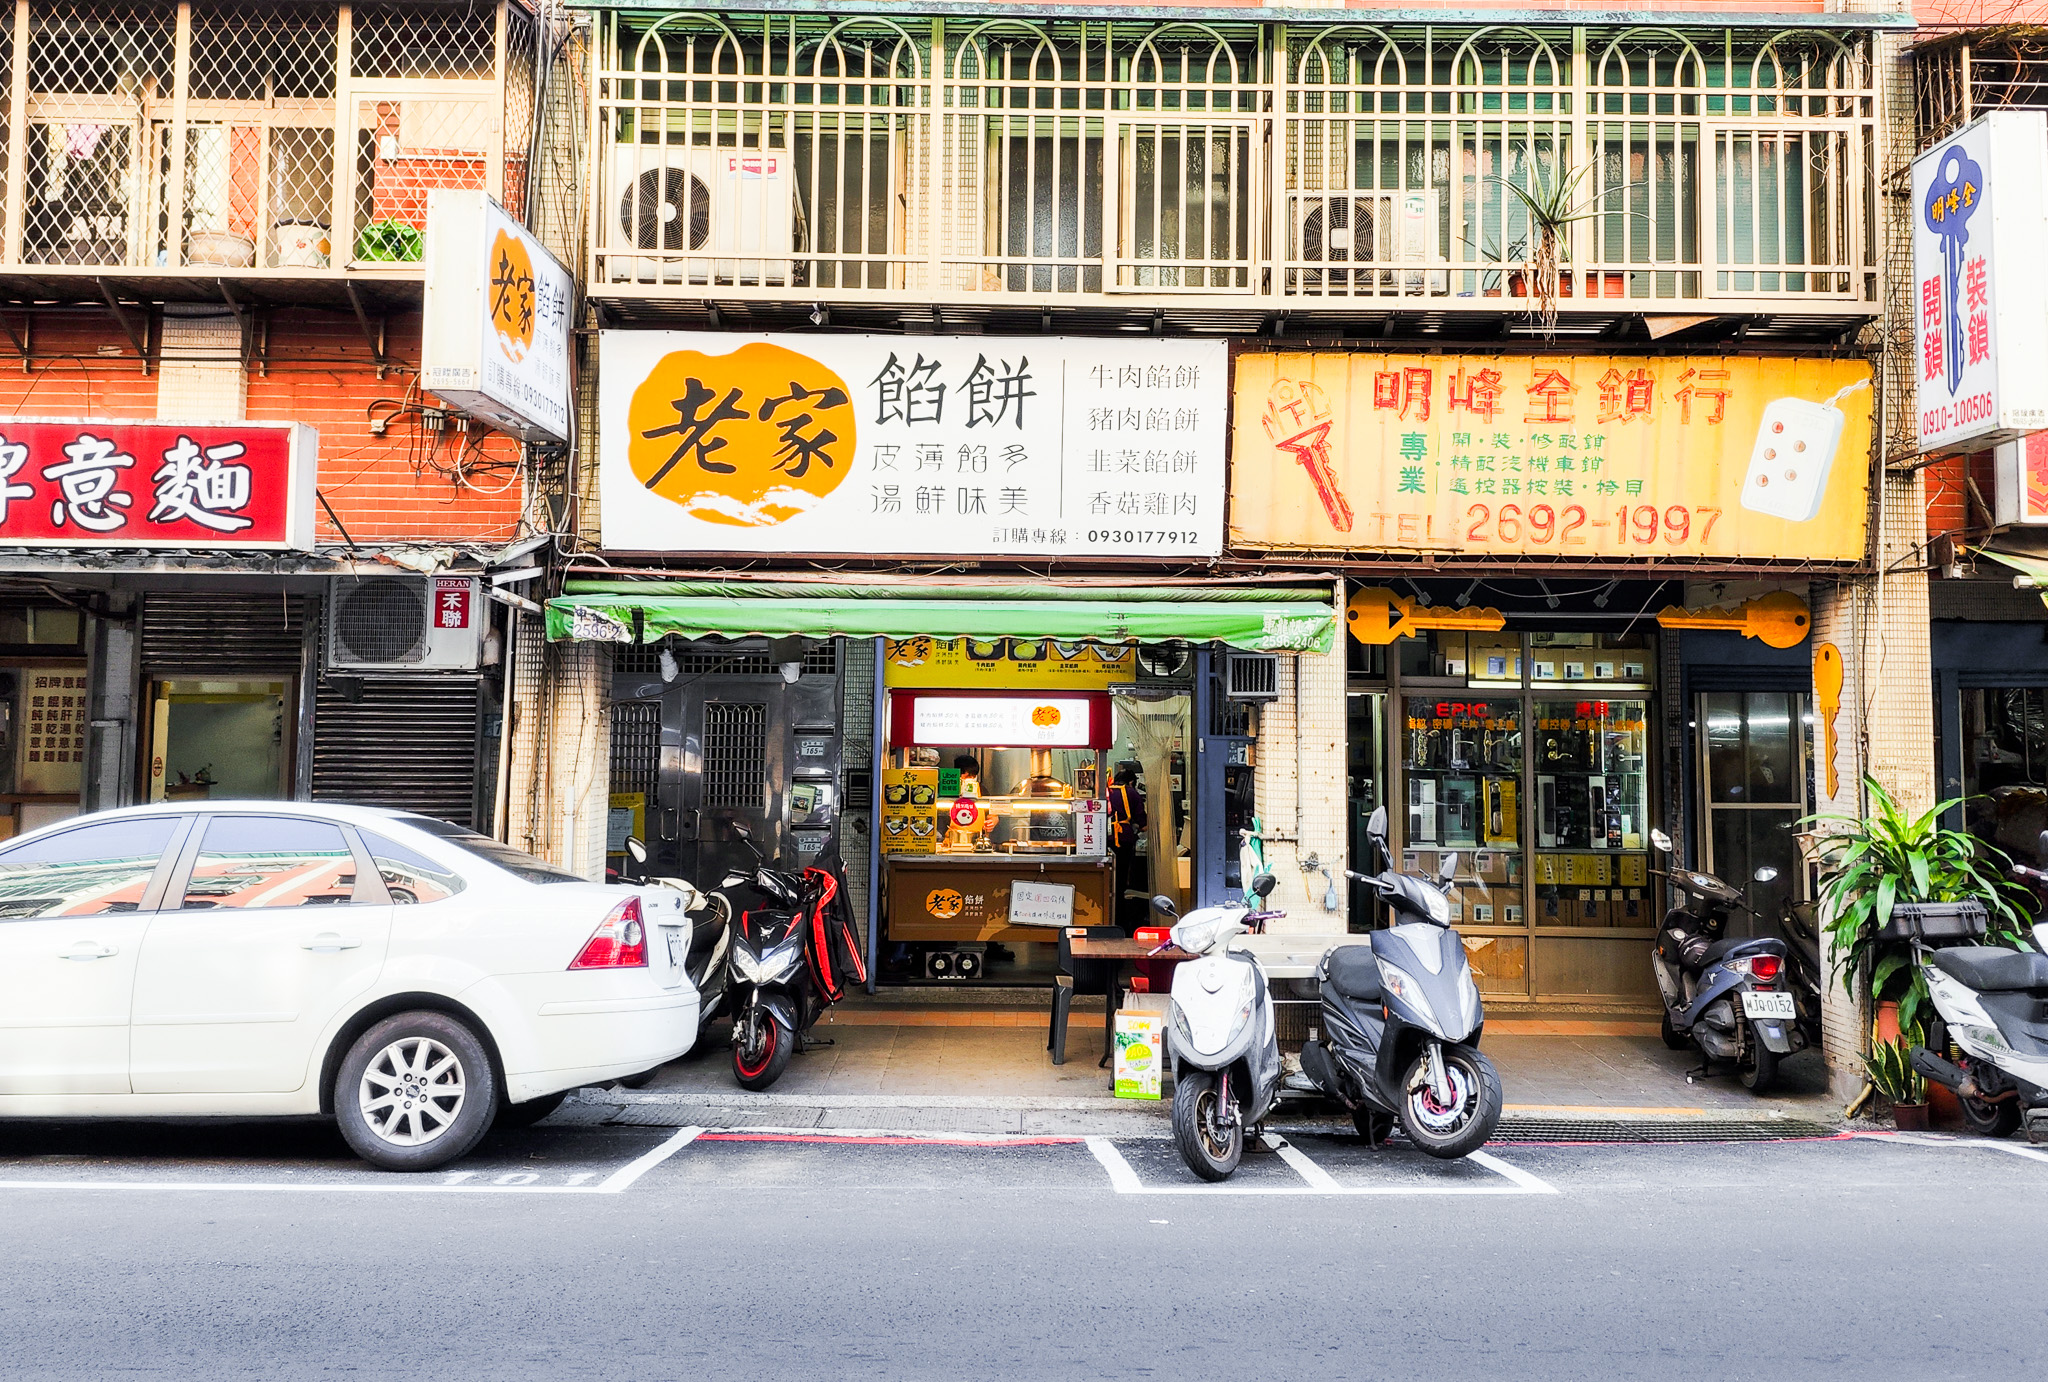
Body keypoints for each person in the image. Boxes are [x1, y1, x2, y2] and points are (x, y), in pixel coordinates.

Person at [1108, 760, 1149, 928]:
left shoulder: (1106, 789)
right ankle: (1120, 917)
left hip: (1105, 837)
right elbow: (1143, 823)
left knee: (1108, 876)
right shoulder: (1131, 792)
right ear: (1131, 781)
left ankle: (1108, 909)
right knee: (1122, 877)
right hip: (1123, 838)